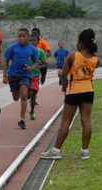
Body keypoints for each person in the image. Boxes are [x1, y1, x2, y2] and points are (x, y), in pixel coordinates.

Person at [41, 28, 99, 160]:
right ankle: (85, 151)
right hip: (89, 91)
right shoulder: (96, 59)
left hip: (74, 91)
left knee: (65, 122)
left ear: (81, 43)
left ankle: (56, 151)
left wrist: (64, 89)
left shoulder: (72, 56)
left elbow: (63, 75)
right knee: (86, 120)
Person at [3, 28, 38, 129]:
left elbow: (36, 62)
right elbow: (6, 61)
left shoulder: (32, 49)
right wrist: (5, 75)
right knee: (15, 97)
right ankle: (21, 93)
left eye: (24, 36)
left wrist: (31, 68)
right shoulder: (12, 48)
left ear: (28, 37)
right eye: (19, 36)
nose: (21, 38)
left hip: (25, 75)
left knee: (23, 96)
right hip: (13, 75)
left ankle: (21, 120)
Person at [28, 34, 46, 120]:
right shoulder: (24, 51)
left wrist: (40, 67)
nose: (32, 42)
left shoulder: (40, 52)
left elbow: (45, 64)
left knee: (33, 93)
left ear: (37, 42)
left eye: (34, 41)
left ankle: (32, 111)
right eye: (30, 41)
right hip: (25, 76)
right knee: (26, 95)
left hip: (35, 75)